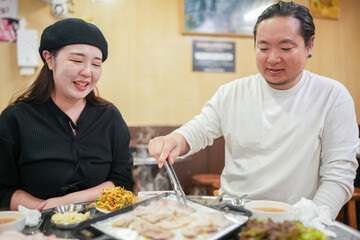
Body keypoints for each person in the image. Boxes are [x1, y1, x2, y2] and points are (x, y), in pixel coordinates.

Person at [148, 1, 359, 220]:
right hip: (233, 216)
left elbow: (339, 173)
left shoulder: (332, 96)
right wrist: (174, 140)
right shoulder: (232, 93)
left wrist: (314, 221)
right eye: (263, 47)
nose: (273, 58)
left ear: (309, 45)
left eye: (286, 48)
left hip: (296, 221)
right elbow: (199, 129)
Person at [0, 18, 134, 211]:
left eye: (96, 64)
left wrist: (65, 203)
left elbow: (122, 181)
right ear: (49, 59)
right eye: (77, 60)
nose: (87, 72)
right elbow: (3, 190)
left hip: (101, 226)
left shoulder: (110, 117)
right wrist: (47, 212)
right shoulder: (15, 119)